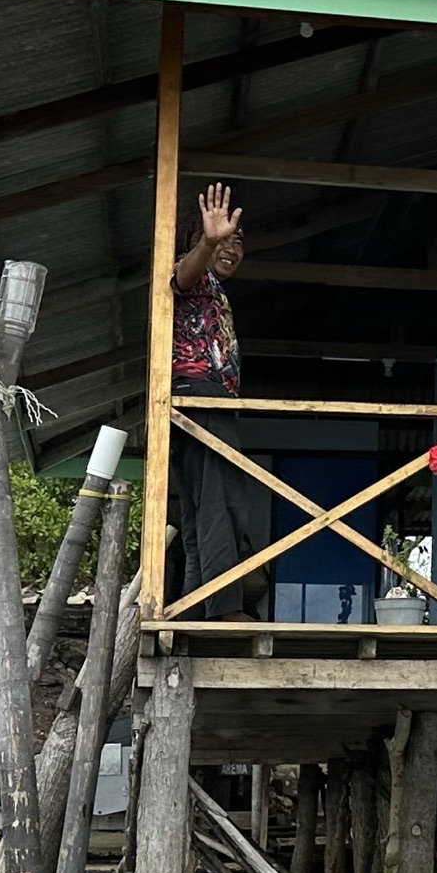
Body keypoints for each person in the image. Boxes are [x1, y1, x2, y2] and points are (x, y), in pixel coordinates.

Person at [168, 181, 270, 620]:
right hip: (198, 401)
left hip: (208, 403)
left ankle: (195, 609)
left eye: (237, 241)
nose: (231, 248)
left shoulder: (218, 291)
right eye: (221, 239)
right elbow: (182, 276)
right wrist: (207, 242)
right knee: (220, 504)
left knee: (198, 514)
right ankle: (223, 608)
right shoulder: (192, 277)